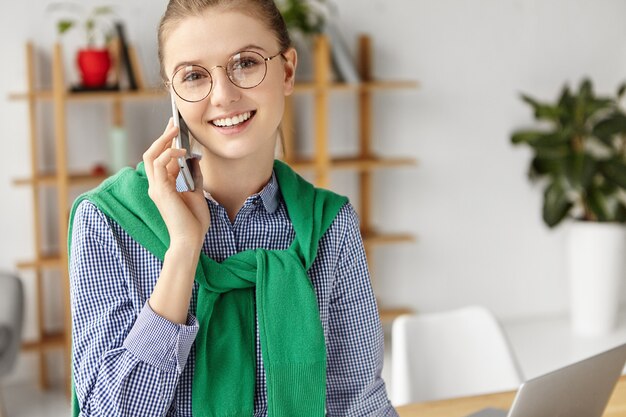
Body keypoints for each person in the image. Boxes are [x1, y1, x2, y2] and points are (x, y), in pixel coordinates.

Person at [69, 0, 397, 416]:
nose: (223, 96)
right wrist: (184, 250)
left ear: (288, 71)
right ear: (173, 93)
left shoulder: (329, 226)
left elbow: (358, 404)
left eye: (245, 63)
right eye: (193, 75)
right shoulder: (109, 220)